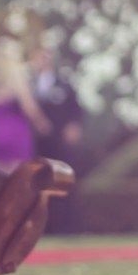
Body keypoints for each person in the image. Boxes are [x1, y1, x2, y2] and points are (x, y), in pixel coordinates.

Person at [0, 38, 50, 171]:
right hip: (17, 135)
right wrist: (42, 124)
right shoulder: (18, 81)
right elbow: (29, 108)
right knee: (17, 178)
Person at [31, 46, 84, 231]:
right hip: (36, 145)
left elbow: (76, 109)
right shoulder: (29, 84)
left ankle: (66, 227)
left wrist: (73, 127)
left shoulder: (64, 84)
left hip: (60, 144)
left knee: (62, 182)